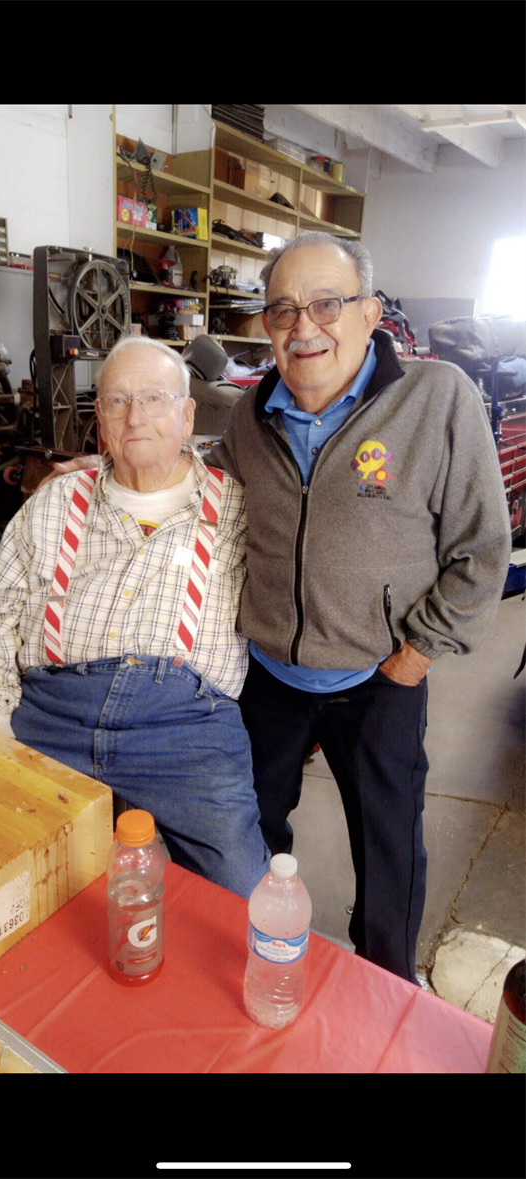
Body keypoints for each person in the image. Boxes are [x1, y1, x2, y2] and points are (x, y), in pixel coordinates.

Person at [210, 232, 511, 982]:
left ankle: (387, 983)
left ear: (370, 311)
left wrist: (415, 654)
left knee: (387, 846)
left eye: (325, 303)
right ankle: (256, 954)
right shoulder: (252, 416)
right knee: (250, 830)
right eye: (281, 310)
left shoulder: (435, 397)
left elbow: (480, 546)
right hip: (270, 675)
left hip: (380, 679)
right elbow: (202, 494)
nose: (302, 326)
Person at [0, 337, 269, 899]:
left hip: (186, 729)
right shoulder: (56, 500)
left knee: (241, 893)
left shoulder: (240, 508)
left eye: (155, 399)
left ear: (187, 416)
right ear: (100, 421)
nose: (135, 417)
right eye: (117, 402)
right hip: (49, 716)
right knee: (9, 879)